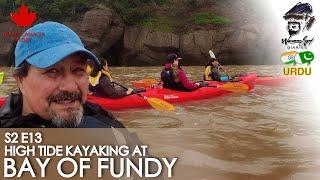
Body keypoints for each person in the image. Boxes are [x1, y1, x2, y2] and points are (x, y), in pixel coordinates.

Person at [0, 21, 125, 128]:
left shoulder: (108, 127)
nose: (70, 87)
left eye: (78, 70)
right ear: (20, 80)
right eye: (52, 71)